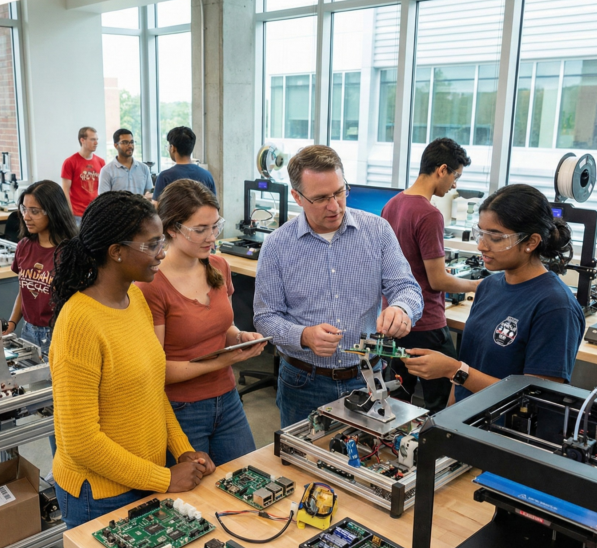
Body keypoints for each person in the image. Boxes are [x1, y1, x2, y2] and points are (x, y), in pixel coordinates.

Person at [49, 190, 215, 528]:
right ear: (116, 252)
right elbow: (81, 442)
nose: (162, 252)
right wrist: (164, 478)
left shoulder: (135, 299)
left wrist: (183, 450)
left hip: (145, 477)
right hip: (99, 494)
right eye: (152, 244)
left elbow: (152, 392)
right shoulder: (79, 321)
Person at [253, 145, 424, 428]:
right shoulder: (277, 245)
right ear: (297, 197)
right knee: (302, 464)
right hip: (303, 382)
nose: (334, 206)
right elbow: (265, 317)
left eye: (339, 192)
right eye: (320, 198)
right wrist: (303, 335)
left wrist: (402, 309)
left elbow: (407, 287)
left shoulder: (377, 230)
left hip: (367, 376)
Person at [402, 184, 586, 403]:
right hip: (463, 422)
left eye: (495, 238)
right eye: (480, 233)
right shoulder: (488, 286)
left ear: (531, 242)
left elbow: (536, 397)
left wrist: (454, 371)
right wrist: (447, 416)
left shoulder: (555, 307)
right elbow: (467, 368)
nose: (481, 245)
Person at [135, 179, 264, 466]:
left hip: (228, 399)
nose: (212, 237)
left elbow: (224, 328)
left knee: (247, 477)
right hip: (180, 409)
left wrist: (240, 338)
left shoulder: (218, 266)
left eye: (215, 226)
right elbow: (157, 371)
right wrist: (224, 361)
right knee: (195, 503)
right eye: (200, 230)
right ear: (172, 229)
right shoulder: (151, 285)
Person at [380, 138, 480, 413]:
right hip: (427, 323)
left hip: (397, 319)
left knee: (396, 400)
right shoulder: (429, 214)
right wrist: (476, 284)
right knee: (448, 403)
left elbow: (405, 261)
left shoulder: (393, 204)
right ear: (442, 169)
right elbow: (437, 281)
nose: (455, 185)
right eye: (455, 176)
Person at [3, 180, 79, 354]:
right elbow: (25, 290)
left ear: (53, 212)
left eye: (34, 211)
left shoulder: (71, 252)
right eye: (24, 209)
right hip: (28, 332)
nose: (26, 216)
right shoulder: (24, 246)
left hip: (59, 333)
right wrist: (12, 323)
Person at [153, 127, 216, 201]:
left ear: (173, 148)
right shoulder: (207, 175)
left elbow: (157, 206)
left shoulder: (165, 177)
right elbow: (214, 206)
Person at [61, 126, 105, 226]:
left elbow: (103, 189)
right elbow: (65, 191)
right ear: (82, 140)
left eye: (97, 140)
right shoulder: (70, 162)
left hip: (95, 213)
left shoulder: (101, 162)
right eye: (93, 139)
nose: (96, 143)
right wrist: (69, 212)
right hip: (76, 215)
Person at [99, 128, 153, 199]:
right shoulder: (107, 171)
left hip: (140, 209)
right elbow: (103, 200)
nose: (130, 146)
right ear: (116, 145)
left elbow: (149, 195)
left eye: (131, 142)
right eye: (125, 142)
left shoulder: (144, 168)